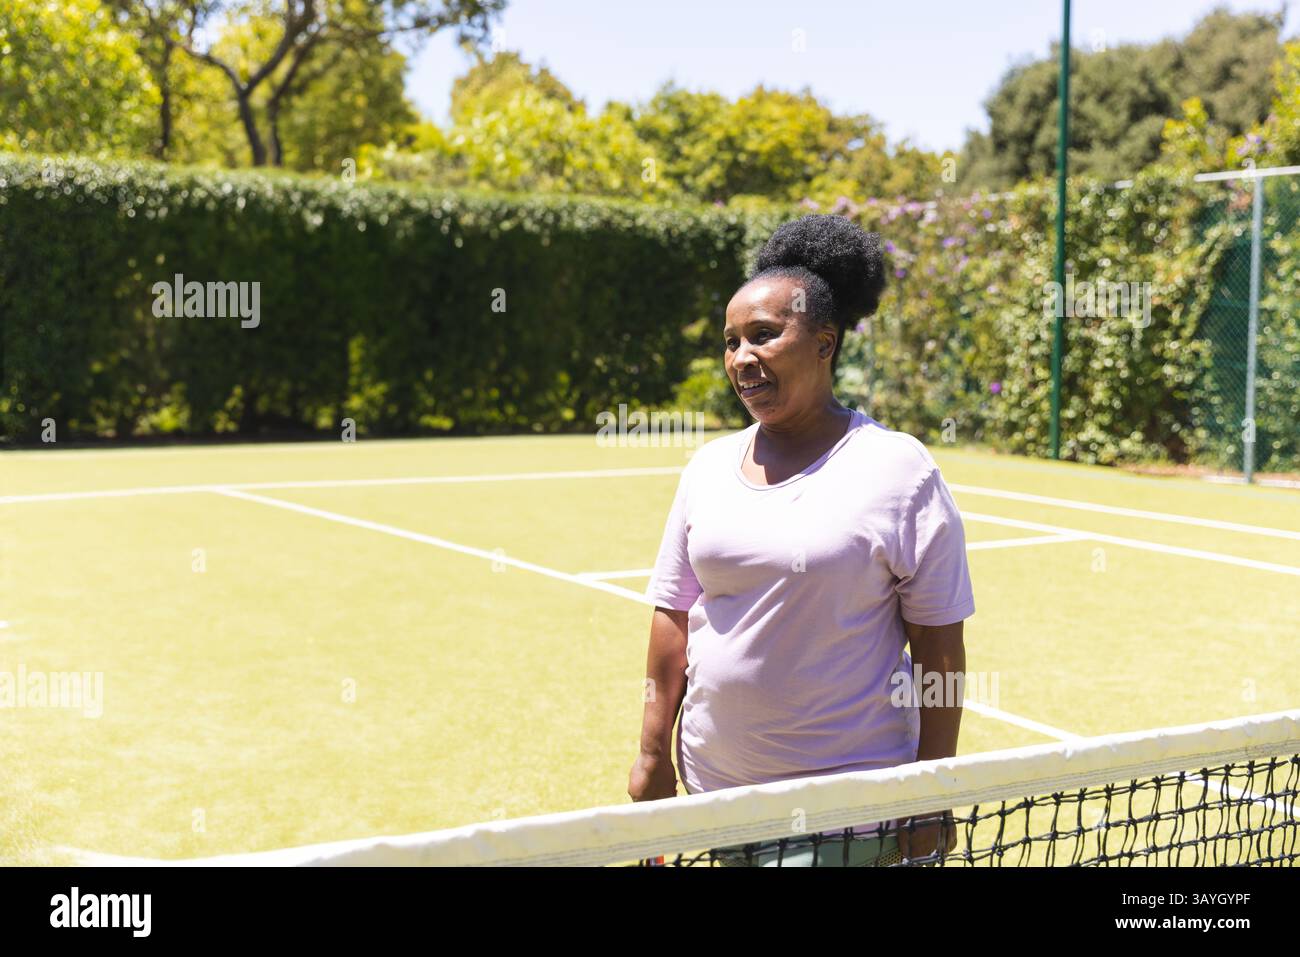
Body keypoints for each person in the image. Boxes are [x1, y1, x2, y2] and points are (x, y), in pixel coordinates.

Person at [627, 214, 974, 867]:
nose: (741, 357)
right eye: (730, 341)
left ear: (824, 341)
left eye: (763, 335)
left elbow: (939, 647)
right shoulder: (705, 468)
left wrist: (931, 791)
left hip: (847, 811)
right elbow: (673, 615)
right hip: (718, 799)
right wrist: (651, 756)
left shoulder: (899, 470)